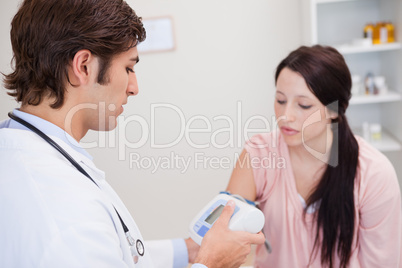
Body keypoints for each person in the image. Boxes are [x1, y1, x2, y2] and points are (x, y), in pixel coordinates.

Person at [0, 0, 265, 267]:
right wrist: (211, 263)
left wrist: (189, 251)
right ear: (83, 66)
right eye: (128, 68)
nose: (134, 88)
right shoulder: (64, 209)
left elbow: (110, 251)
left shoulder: (20, 149)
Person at [226, 45, 402, 267]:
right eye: (280, 100)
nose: (285, 116)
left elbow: (382, 262)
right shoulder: (259, 154)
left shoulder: (373, 173)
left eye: (303, 105)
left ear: (334, 110)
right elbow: (225, 232)